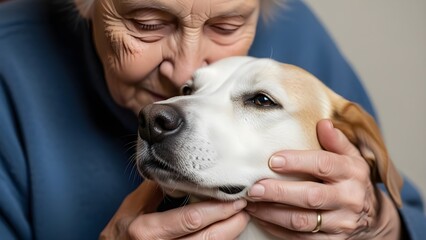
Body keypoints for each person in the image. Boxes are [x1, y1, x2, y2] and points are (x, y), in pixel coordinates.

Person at [0, 0, 425, 239]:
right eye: (147, 24)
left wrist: (382, 221)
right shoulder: (10, 67)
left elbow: (409, 215)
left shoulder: (298, 35)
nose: (185, 80)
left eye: (227, 26)